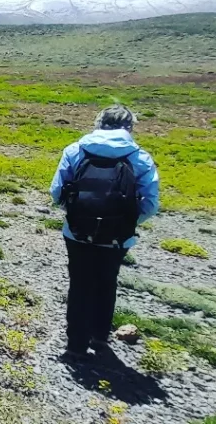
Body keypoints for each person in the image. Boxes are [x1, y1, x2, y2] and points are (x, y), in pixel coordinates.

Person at [49, 104, 160, 361]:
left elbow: (56, 192)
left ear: (98, 123)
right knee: (107, 282)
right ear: (130, 127)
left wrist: (77, 212)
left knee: (79, 284)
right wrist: (126, 222)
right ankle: (99, 338)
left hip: (77, 232)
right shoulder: (140, 157)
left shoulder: (75, 150)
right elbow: (150, 204)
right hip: (118, 237)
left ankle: (75, 345)